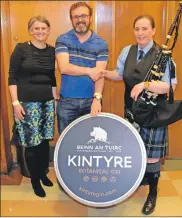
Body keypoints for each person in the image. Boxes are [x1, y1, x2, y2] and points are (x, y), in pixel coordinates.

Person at [100, 15, 177, 215]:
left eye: (144, 29)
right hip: (132, 110)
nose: (140, 33)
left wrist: (146, 84)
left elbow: (169, 87)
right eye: (137, 29)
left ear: (153, 31)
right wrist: (104, 73)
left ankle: (153, 192)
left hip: (153, 112)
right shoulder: (128, 51)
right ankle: (141, 178)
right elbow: (120, 74)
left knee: (152, 157)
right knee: (135, 149)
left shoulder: (163, 55)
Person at [8, 16, 57, 198]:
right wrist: (15, 103)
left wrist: (54, 97)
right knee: (31, 143)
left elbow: (52, 78)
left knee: (44, 141)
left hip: (47, 103)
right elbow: (12, 77)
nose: (40, 31)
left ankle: (43, 173)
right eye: (36, 28)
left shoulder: (52, 51)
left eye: (44, 28)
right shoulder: (21, 49)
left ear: (48, 30)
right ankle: (34, 179)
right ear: (30, 30)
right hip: (27, 104)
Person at [55, 1, 108, 135]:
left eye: (83, 16)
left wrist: (97, 99)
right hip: (67, 102)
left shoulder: (101, 43)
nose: (80, 20)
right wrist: (90, 71)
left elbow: (100, 74)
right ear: (71, 20)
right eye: (76, 17)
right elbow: (64, 68)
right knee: (66, 142)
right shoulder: (63, 39)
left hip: (91, 102)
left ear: (90, 18)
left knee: (88, 145)